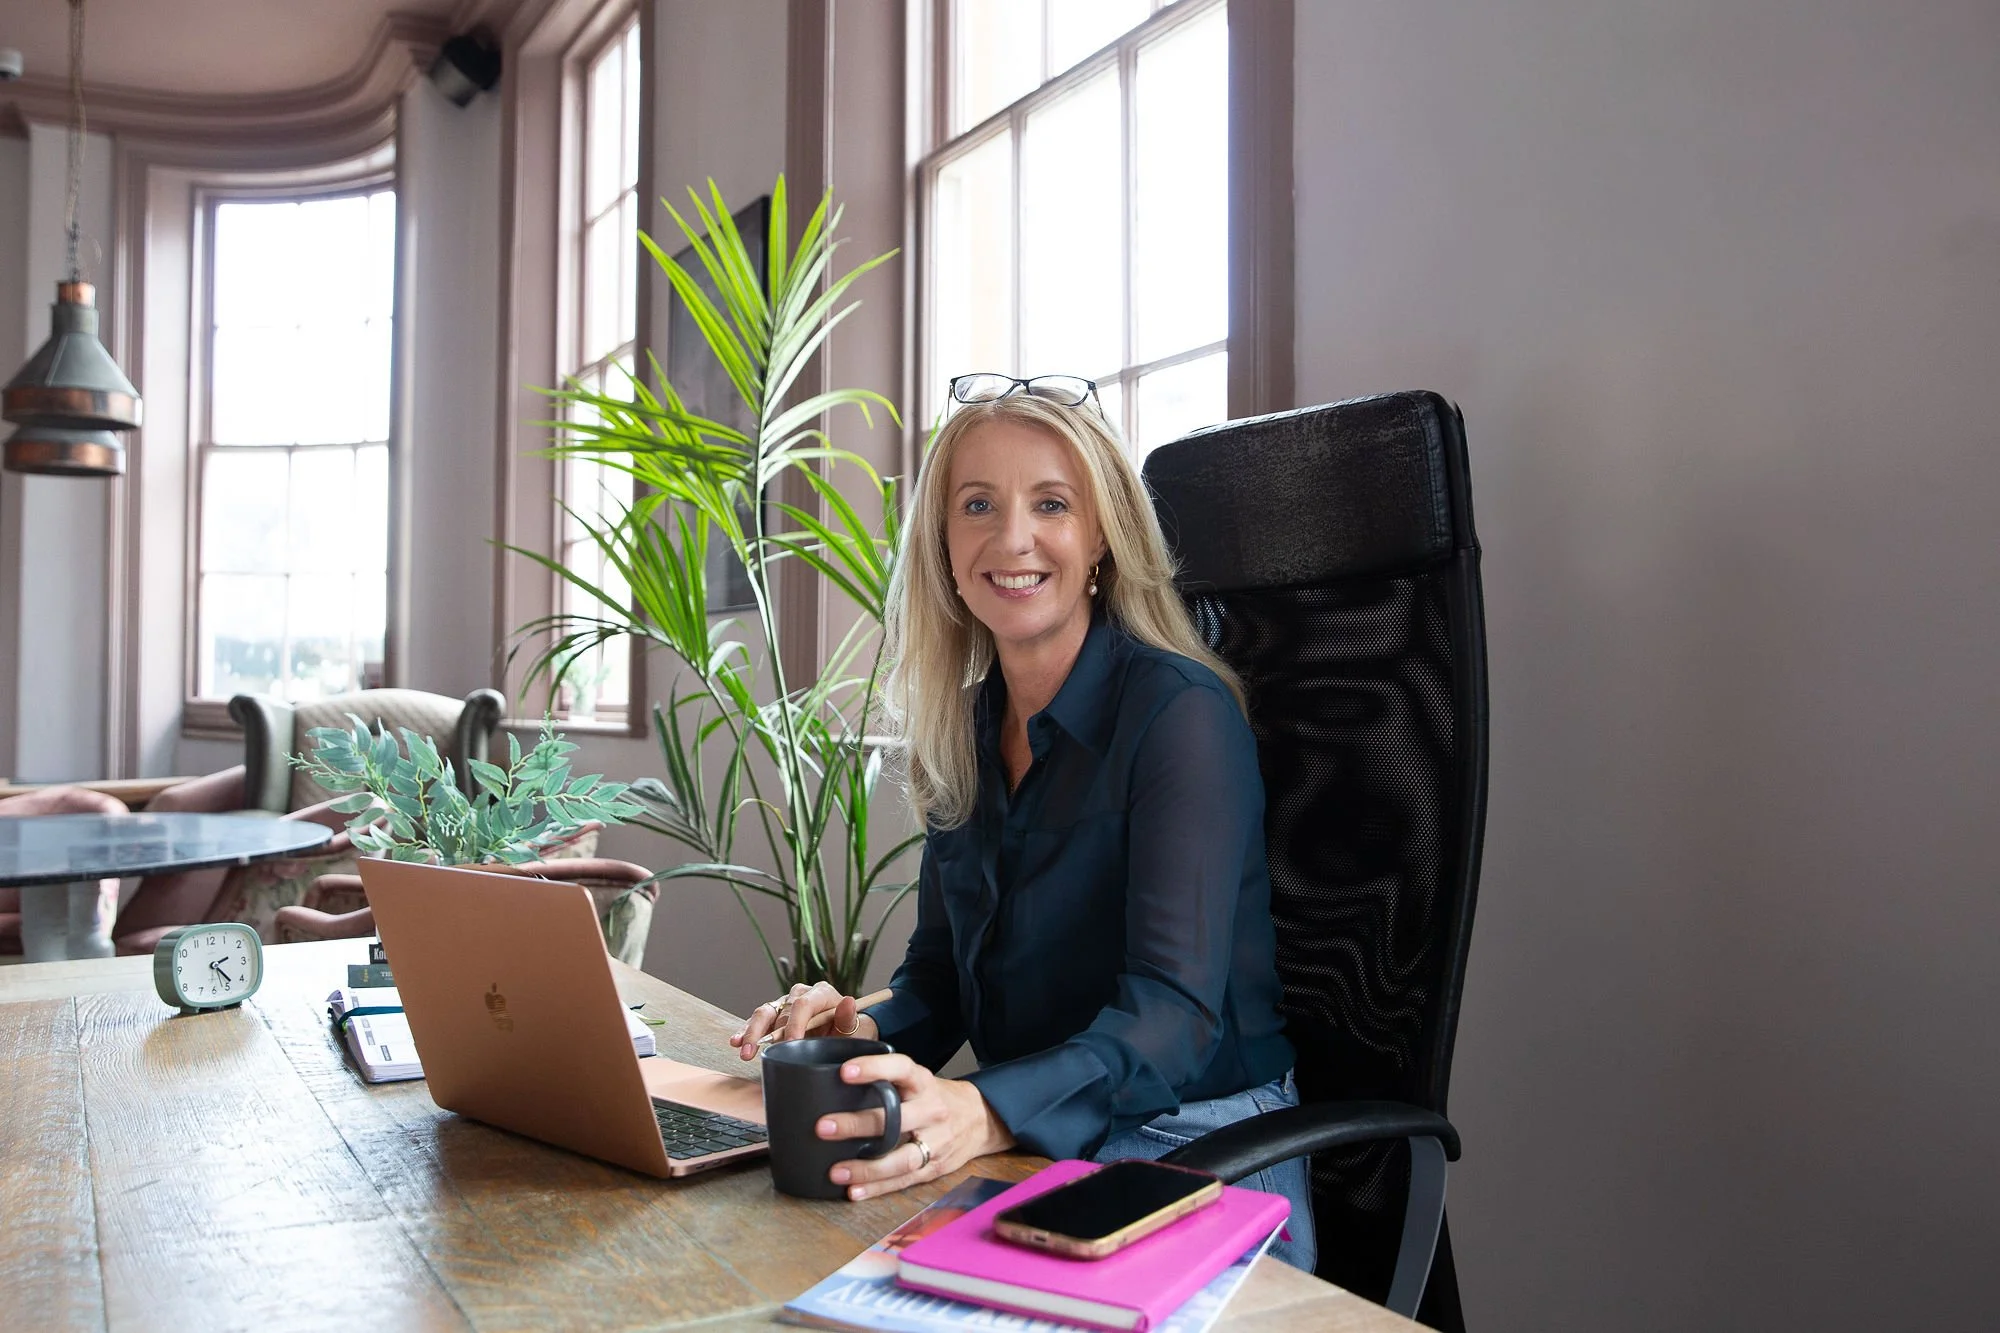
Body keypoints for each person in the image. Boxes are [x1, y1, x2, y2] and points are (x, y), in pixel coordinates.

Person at [730, 374, 1315, 1272]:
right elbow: (941, 980)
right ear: (945, 547)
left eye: (1051, 503)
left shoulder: (1181, 714)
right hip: (1041, 1142)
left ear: (1100, 543)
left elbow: (1175, 1017)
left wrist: (985, 1107)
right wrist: (859, 1032)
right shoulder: (960, 727)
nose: (1012, 538)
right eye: (977, 505)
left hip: (1203, 1149)